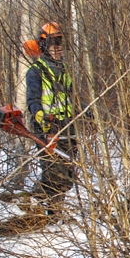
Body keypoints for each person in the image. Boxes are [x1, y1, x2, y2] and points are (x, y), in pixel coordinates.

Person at [26, 22, 77, 217]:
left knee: (68, 175)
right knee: (54, 174)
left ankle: (38, 200)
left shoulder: (64, 69)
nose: (58, 48)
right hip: (48, 128)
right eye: (54, 43)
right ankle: (52, 214)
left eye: (60, 43)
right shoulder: (36, 71)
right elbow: (33, 101)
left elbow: (71, 97)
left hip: (68, 126)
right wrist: (42, 119)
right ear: (44, 45)